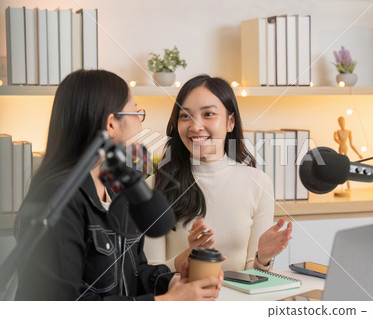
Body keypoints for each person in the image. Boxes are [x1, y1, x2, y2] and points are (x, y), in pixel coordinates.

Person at [14, 70, 222, 301]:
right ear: (112, 124)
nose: (140, 124)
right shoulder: (57, 200)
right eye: (135, 112)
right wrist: (166, 302)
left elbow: (132, 274)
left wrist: (171, 282)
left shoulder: (119, 189)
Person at [145, 74, 292, 272]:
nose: (196, 126)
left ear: (230, 122)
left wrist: (262, 258)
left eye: (208, 114)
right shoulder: (155, 187)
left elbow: (253, 275)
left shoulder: (258, 183)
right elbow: (148, 275)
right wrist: (186, 258)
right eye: (185, 116)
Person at [333, 116, 363, 190]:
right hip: (340, 149)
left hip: (345, 149)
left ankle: (348, 186)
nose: (341, 124)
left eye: (342, 122)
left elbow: (352, 145)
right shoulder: (337, 132)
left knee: (346, 167)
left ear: (345, 122)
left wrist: (358, 154)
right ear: (338, 123)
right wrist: (340, 143)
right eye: (340, 122)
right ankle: (338, 183)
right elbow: (335, 138)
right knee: (339, 166)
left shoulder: (348, 132)